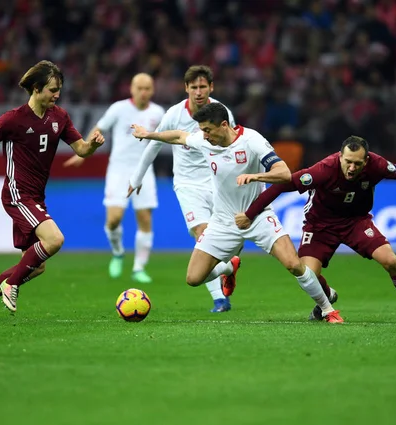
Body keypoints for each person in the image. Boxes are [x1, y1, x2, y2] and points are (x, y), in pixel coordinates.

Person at [131, 103, 343, 323]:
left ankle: (328, 309)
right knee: (193, 278)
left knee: (293, 264)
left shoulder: (252, 141)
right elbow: (178, 137)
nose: (204, 135)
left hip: (257, 216)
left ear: (224, 125)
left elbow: (284, 173)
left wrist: (256, 176)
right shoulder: (204, 140)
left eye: (208, 130)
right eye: (202, 130)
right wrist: (149, 135)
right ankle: (229, 268)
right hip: (223, 221)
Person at [236, 135, 396, 324]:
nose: (352, 168)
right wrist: (250, 214)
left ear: (367, 160)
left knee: (391, 261)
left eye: (357, 163)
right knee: (307, 274)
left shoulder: (378, 165)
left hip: (356, 222)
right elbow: (283, 185)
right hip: (320, 226)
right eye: (348, 162)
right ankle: (326, 296)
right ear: (340, 157)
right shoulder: (324, 169)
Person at [0, 60, 105, 320]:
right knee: (55, 239)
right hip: (17, 194)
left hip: (36, 197)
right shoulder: (12, 119)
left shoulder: (60, 117)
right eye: (52, 89)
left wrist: (92, 145)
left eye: (59, 89)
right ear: (36, 89)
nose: (57, 94)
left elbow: (80, 149)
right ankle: (9, 285)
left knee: (35, 267)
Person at [128, 65, 237, 313]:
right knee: (203, 236)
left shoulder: (223, 113)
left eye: (203, 86)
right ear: (186, 88)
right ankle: (220, 299)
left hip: (217, 181)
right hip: (187, 184)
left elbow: (234, 146)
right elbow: (153, 145)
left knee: (226, 245)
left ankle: (229, 267)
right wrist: (137, 177)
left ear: (211, 87)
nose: (198, 92)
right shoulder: (174, 114)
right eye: (194, 87)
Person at [63, 73, 165, 283]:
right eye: (139, 88)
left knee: (145, 219)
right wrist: (85, 151)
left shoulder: (158, 112)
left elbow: (166, 137)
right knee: (113, 220)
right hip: (118, 170)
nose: (143, 92)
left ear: (152, 90)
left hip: (144, 171)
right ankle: (118, 252)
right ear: (131, 89)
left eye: (147, 88)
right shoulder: (119, 108)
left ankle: (138, 268)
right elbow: (100, 128)